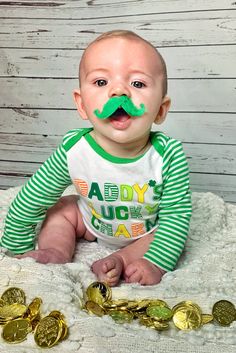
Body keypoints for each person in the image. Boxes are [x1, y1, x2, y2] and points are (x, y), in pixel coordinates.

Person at [0, 30, 192, 286]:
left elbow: (176, 216)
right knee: (61, 211)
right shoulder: (74, 149)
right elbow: (32, 198)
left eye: (137, 83)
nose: (119, 92)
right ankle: (56, 252)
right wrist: (16, 247)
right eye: (101, 82)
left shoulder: (168, 155)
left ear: (160, 109)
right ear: (81, 104)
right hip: (90, 221)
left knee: (171, 232)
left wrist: (156, 263)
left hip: (144, 229)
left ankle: (123, 259)